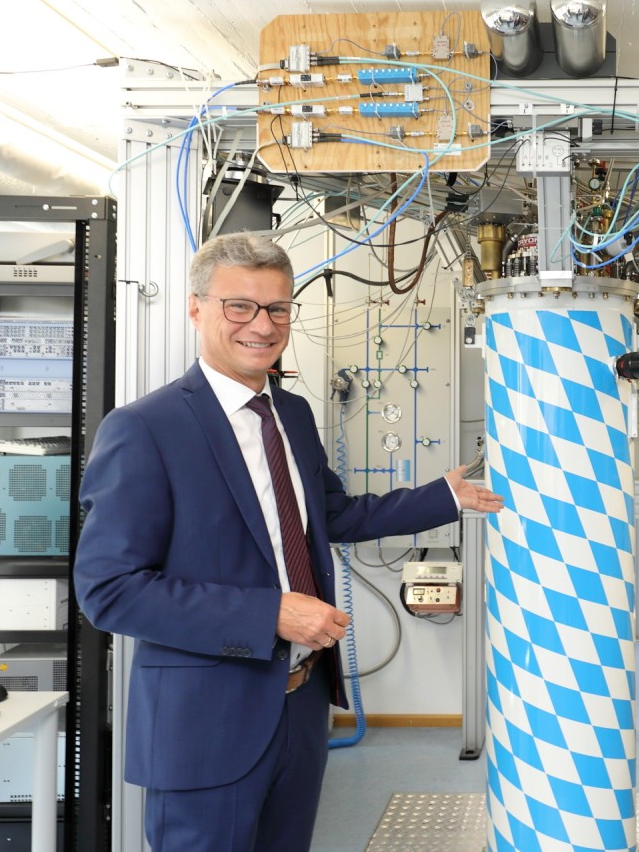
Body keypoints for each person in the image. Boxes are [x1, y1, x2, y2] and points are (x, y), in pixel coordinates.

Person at [74, 233, 503, 852]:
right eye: (239, 306)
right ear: (195, 309)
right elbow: (110, 591)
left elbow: (332, 515)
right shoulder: (145, 429)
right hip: (206, 723)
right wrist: (270, 613)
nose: (262, 325)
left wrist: (445, 497)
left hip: (301, 709)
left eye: (277, 308)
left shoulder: (292, 414)